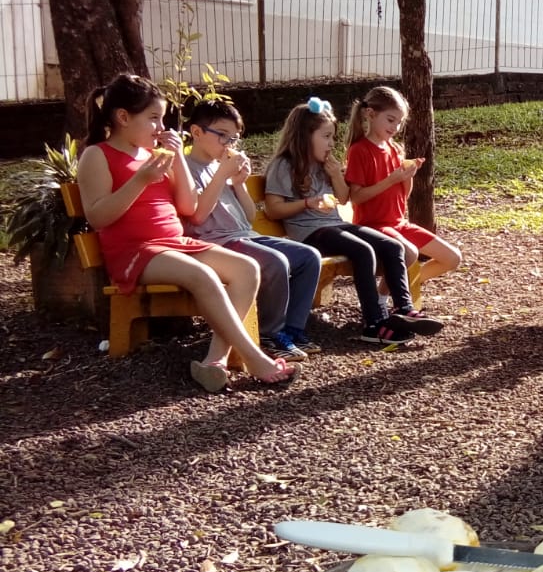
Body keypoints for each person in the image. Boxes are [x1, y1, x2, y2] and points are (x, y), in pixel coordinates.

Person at [76, 74, 299, 393]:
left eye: (162, 118)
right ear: (123, 117)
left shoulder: (153, 154)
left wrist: (178, 155)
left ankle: (214, 361)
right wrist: (140, 180)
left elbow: (189, 205)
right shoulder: (97, 155)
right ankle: (255, 359)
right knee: (203, 275)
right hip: (135, 250)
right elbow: (98, 217)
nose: (160, 127)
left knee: (247, 268)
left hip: (174, 244)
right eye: (153, 118)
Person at [263, 97, 442, 345]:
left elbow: (343, 198)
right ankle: (374, 323)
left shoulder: (323, 166)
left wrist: (336, 174)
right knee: (362, 250)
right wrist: (307, 203)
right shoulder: (283, 166)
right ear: (305, 135)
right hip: (310, 234)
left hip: (336, 226)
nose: (331, 143)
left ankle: (403, 310)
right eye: (326, 137)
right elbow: (273, 210)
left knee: (392, 246)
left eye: (332, 137)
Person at [182, 99, 323, 362]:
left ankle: (291, 330)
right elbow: (198, 216)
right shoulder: (185, 168)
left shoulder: (220, 166)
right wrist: (222, 176)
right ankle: (270, 333)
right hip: (215, 242)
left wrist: (239, 184)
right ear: (197, 132)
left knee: (308, 257)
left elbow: (248, 218)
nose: (229, 144)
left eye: (233, 138)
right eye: (222, 136)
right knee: (275, 262)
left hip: (244, 235)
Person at [344, 86, 461, 316]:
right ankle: (382, 300)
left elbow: (402, 198)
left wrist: (407, 178)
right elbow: (356, 197)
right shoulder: (360, 150)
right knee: (408, 252)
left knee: (452, 258)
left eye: (399, 123)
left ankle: (405, 285)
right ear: (370, 114)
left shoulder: (395, 149)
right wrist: (392, 179)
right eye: (390, 120)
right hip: (373, 226)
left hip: (399, 223)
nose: (395, 128)